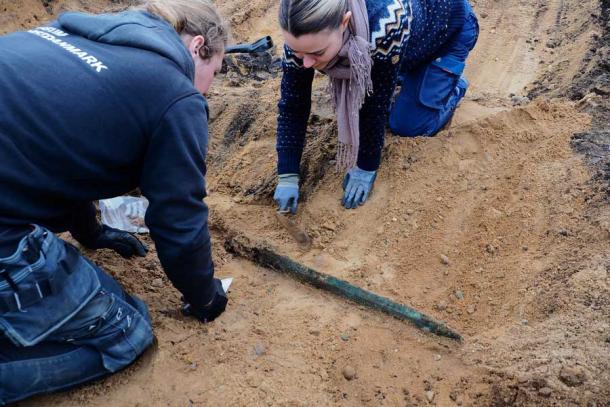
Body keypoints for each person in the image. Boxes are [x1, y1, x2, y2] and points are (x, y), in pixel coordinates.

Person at [0, 0, 229, 403]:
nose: (211, 86)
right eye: (216, 70)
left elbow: (56, 150)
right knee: (125, 333)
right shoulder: (175, 95)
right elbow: (178, 217)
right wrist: (205, 296)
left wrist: (91, 231)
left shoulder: (68, 31)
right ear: (198, 48)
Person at [273, 0, 479, 211]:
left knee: (406, 124)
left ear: (344, 22)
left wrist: (366, 166)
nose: (306, 62)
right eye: (298, 52)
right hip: (404, 42)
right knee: (384, 71)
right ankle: (401, 73)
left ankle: (452, 88)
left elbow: (374, 106)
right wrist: (287, 174)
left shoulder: (385, 21)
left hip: (446, 32)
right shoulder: (301, 31)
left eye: (317, 53)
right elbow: (293, 104)